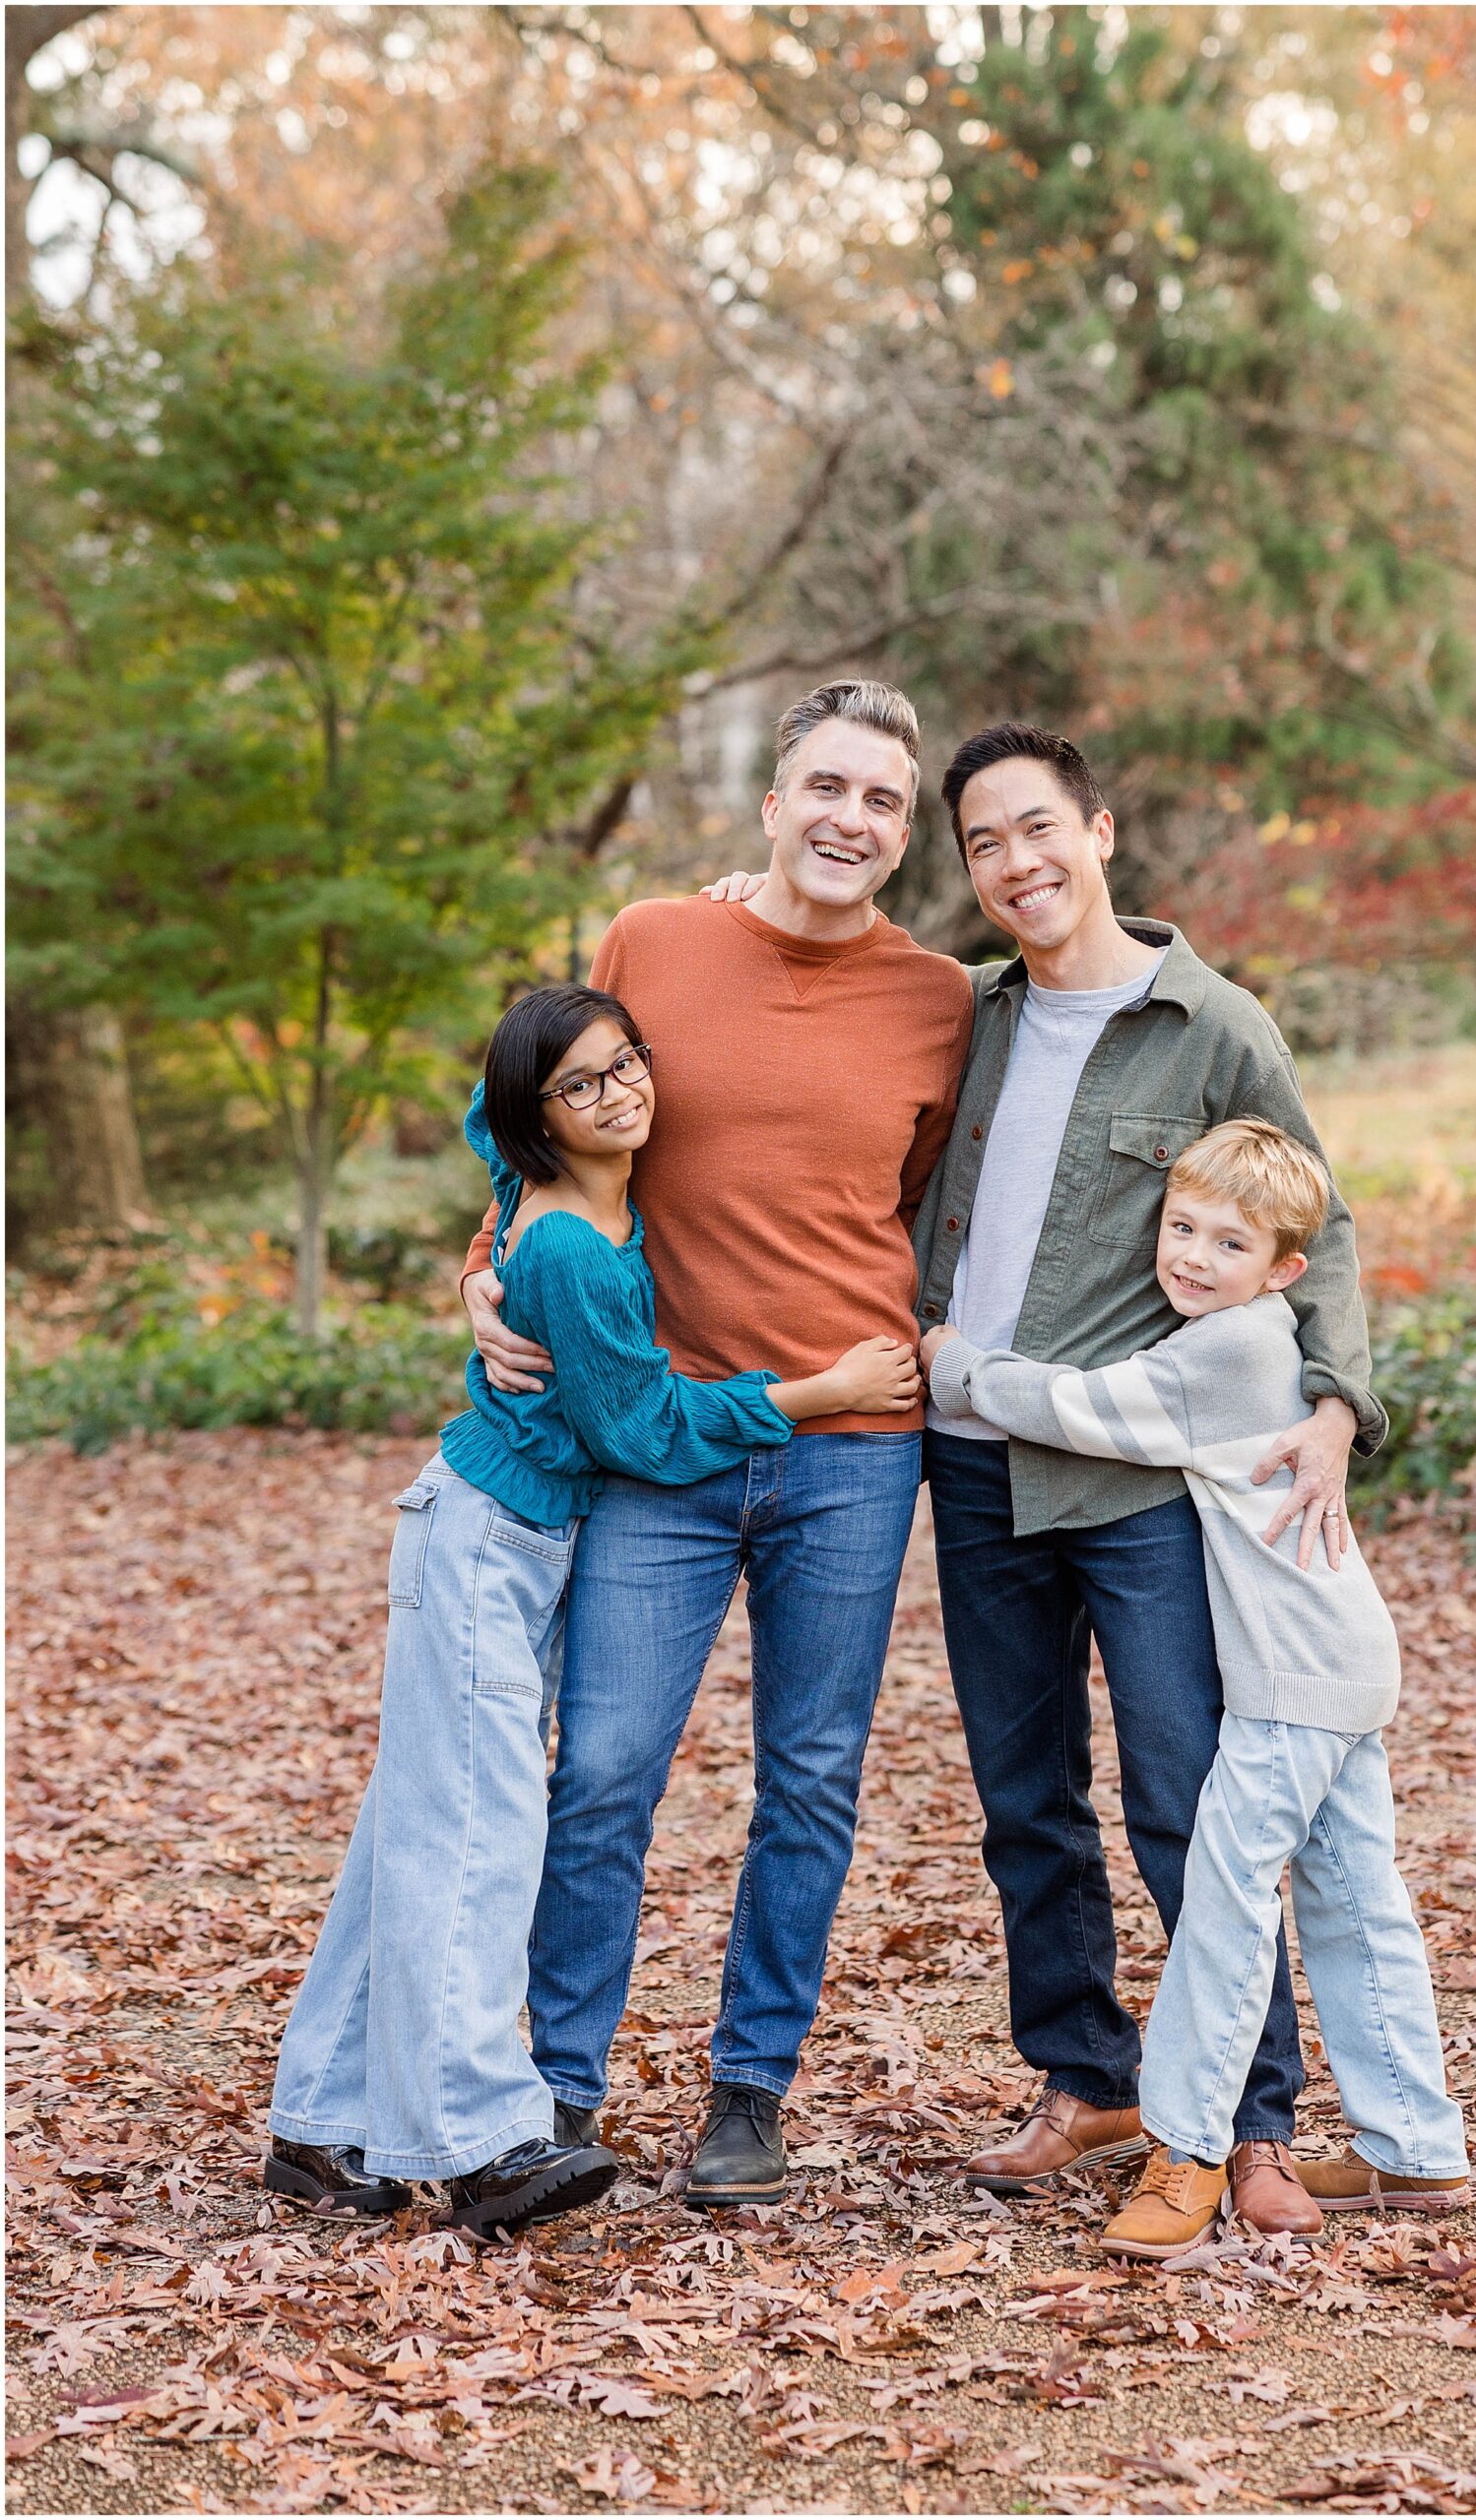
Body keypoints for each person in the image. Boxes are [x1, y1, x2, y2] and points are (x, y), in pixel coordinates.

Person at [266, 983, 919, 2239]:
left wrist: (476, 1266)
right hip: (487, 1543)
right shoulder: (565, 1241)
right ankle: (480, 2142)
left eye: (628, 1064)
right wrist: (816, 1386)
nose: (621, 1093)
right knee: (477, 1836)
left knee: (416, 1821)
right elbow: (647, 1431)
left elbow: (483, 1110)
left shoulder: (547, 1183)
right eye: (581, 1084)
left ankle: (315, 2121)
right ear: (536, 1116)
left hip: (512, 1536)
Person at [460, 683, 975, 2208]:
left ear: (903, 833)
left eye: (881, 801)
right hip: (656, 1442)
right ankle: (555, 2092)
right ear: (769, 801)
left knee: (809, 1777)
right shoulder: (653, 940)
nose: (849, 819)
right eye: (826, 786)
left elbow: (921, 1199)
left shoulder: (939, 999)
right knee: (606, 1768)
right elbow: (531, 1119)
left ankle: (749, 2097)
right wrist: (488, 1271)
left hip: (855, 1445)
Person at [911, 724, 1387, 2238]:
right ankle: (1088, 2076)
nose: (1016, 864)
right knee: (1021, 1799)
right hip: (973, 1474)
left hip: (1134, 1485)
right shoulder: (962, 1012)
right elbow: (811, 975)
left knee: (1189, 1795)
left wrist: (1335, 1400)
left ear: (1099, 830)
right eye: (984, 843)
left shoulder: (1210, 1021)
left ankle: (1246, 2120)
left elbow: (1328, 1217)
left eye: (1037, 828)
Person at [925, 1117, 1468, 2255]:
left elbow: (1082, 1409)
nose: (1191, 1257)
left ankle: (1186, 2148)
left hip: (1289, 1674)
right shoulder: (1248, 1331)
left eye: (1229, 1242)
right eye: (1180, 1228)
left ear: (1284, 1273)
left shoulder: (1229, 1350)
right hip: (1337, 1658)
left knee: (1222, 1902)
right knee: (1353, 1898)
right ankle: (1411, 2147)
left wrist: (956, 1363)